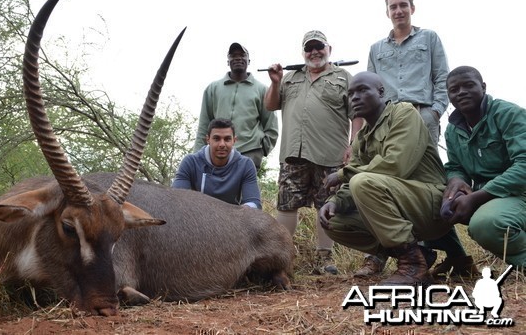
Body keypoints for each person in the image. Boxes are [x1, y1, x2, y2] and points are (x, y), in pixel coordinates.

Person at [363, 0, 475, 279]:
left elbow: (442, 77)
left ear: (412, 8)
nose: (398, 11)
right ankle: (390, 256)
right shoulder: (376, 49)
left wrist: (434, 112)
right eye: (393, 7)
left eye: (403, 5)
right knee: (388, 182)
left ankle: (449, 256)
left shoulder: (429, 38)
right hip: (387, 123)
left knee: (426, 185)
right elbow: (371, 87)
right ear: (386, 12)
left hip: (421, 117)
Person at [318, 71, 452, 285]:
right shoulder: (362, 136)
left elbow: (395, 165)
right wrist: (334, 201)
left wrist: (342, 174)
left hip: (431, 205)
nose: (355, 98)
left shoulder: (403, 113)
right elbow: (356, 170)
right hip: (397, 206)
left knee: (362, 182)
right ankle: (416, 254)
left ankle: (412, 266)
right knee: (334, 222)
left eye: (362, 90)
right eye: (351, 93)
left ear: (381, 92)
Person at [265, 30, 363, 275]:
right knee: (287, 205)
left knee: (326, 204)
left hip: (329, 154)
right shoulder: (289, 78)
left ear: (329, 49)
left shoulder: (343, 77)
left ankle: (324, 259)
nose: (314, 52)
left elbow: (357, 114)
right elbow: (270, 104)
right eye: (309, 48)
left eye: (319, 46)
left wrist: (353, 144)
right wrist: (275, 81)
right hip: (293, 153)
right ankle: (280, 257)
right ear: (303, 52)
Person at [441, 66, 526, 268]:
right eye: (454, 89)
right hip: (487, 196)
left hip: (519, 193)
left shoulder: (508, 114)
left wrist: (477, 197)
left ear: (483, 87)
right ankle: (456, 259)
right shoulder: (452, 129)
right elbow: (454, 165)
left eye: (468, 85)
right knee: (429, 201)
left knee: (486, 225)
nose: (461, 92)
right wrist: (456, 180)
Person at [193, 42, 278, 171]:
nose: (238, 58)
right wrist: (197, 156)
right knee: (210, 191)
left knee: (245, 191)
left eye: (242, 55)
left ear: (248, 60)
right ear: (228, 61)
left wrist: (260, 149)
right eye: (233, 55)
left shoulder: (262, 90)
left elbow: (271, 127)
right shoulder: (213, 89)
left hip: (249, 154)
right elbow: (204, 125)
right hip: (216, 154)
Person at [172, 118, 262, 209]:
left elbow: (254, 203)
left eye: (227, 139)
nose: (222, 144)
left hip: (232, 218)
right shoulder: (190, 162)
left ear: (234, 140)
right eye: (216, 139)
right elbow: (177, 198)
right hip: (197, 216)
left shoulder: (245, 165)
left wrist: (243, 210)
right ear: (208, 140)